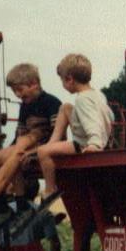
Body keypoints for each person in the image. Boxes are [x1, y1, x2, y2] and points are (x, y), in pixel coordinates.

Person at [36, 53, 113, 200]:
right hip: (100, 137)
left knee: (42, 152)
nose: (63, 85)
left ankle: (50, 190)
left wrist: (95, 143)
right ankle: (52, 144)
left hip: (83, 143)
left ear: (69, 79)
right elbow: (109, 116)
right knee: (65, 107)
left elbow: (93, 123)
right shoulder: (97, 94)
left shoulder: (82, 100)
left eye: (62, 81)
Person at [0, 63, 61, 192]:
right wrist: (9, 148)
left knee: (15, 158)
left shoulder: (51, 102)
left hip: (44, 147)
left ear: (34, 84)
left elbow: (57, 134)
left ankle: (20, 200)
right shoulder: (24, 106)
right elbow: (20, 134)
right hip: (25, 146)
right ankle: (2, 202)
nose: (17, 95)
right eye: (14, 91)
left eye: (20, 90)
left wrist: (34, 151)